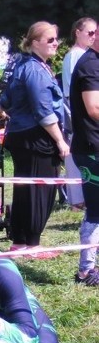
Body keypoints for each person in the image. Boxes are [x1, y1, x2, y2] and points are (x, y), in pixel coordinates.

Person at [0, 22, 67, 254]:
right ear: (35, 42)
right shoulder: (36, 70)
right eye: (50, 40)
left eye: (56, 39)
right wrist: (60, 141)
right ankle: (32, 246)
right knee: (40, 192)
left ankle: (20, 243)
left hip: (20, 136)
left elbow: (7, 96)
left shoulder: (24, 64)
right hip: (37, 139)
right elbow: (43, 112)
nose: (56, 43)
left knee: (25, 190)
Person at [70, 24, 99, 287]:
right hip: (92, 149)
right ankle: (85, 272)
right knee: (96, 212)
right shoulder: (90, 66)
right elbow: (93, 108)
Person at [61, 18, 96, 210]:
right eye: (89, 33)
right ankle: (77, 200)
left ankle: (79, 200)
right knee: (76, 155)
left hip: (79, 108)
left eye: (94, 33)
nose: (93, 36)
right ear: (77, 32)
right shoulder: (77, 55)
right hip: (77, 109)